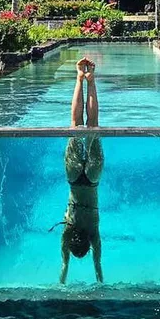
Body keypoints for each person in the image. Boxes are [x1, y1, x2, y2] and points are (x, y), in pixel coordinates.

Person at [59, 57, 104, 284]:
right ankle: (80, 77)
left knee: (93, 124)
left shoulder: (94, 236)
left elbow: (98, 268)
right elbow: (64, 266)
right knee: (76, 124)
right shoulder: (66, 232)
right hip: (74, 180)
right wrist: (61, 282)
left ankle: (90, 79)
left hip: (93, 179)